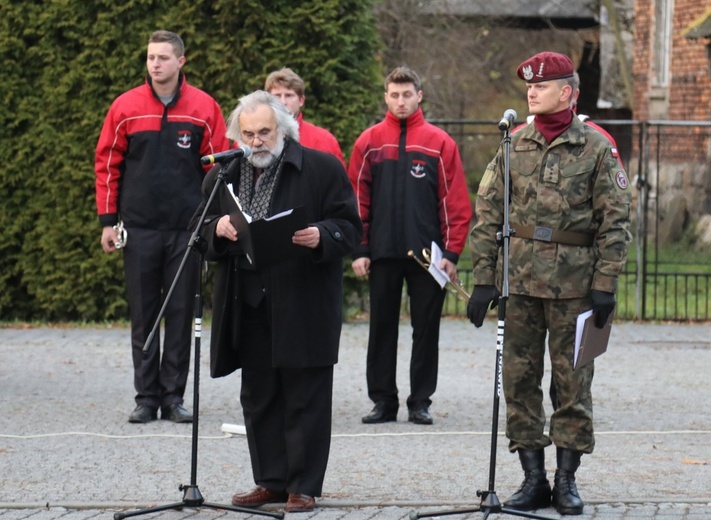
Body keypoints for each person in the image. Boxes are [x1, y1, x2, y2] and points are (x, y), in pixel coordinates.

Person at [467, 52, 632, 516]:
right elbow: (488, 214)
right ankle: (533, 478)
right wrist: (483, 279)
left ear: (568, 92)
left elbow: (616, 221)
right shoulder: (513, 143)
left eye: (542, 85)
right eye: (529, 86)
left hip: (576, 287)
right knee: (519, 382)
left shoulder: (597, 145)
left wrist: (606, 282)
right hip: (519, 285)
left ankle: (566, 480)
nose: (531, 92)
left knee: (572, 384)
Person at [194, 90, 362, 513]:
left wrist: (321, 234)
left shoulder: (321, 168)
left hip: (303, 298)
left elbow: (350, 227)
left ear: (284, 130)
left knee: (305, 393)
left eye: (265, 132)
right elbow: (198, 230)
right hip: (247, 299)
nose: (257, 141)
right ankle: (269, 480)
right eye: (248, 133)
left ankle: (303, 485)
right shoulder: (223, 175)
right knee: (259, 394)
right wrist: (218, 230)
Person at [94, 30, 229, 424]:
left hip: (187, 232)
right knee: (144, 314)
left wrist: (213, 221)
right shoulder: (125, 107)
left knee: (181, 314)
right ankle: (146, 398)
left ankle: (173, 398)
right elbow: (107, 164)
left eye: (164, 57)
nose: (155, 64)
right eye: (151, 57)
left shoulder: (203, 108)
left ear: (181, 61)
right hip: (138, 229)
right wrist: (108, 222)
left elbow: (220, 168)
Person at [349, 66, 472, 426]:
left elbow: (455, 202)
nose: (401, 101)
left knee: (426, 329)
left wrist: (451, 254)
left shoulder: (439, 143)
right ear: (385, 97)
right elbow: (357, 200)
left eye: (407, 94)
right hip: (383, 254)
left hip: (427, 257)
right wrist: (360, 248)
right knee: (381, 329)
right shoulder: (369, 142)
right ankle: (383, 401)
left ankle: (420, 401)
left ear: (420, 96)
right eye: (394, 95)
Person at [265, 67, 346, 168]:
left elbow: (337, 180)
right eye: (277, 96)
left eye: (289, 95)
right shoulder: (250, 139)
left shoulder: (324, 140)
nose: (282, 102)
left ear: (301, 100)